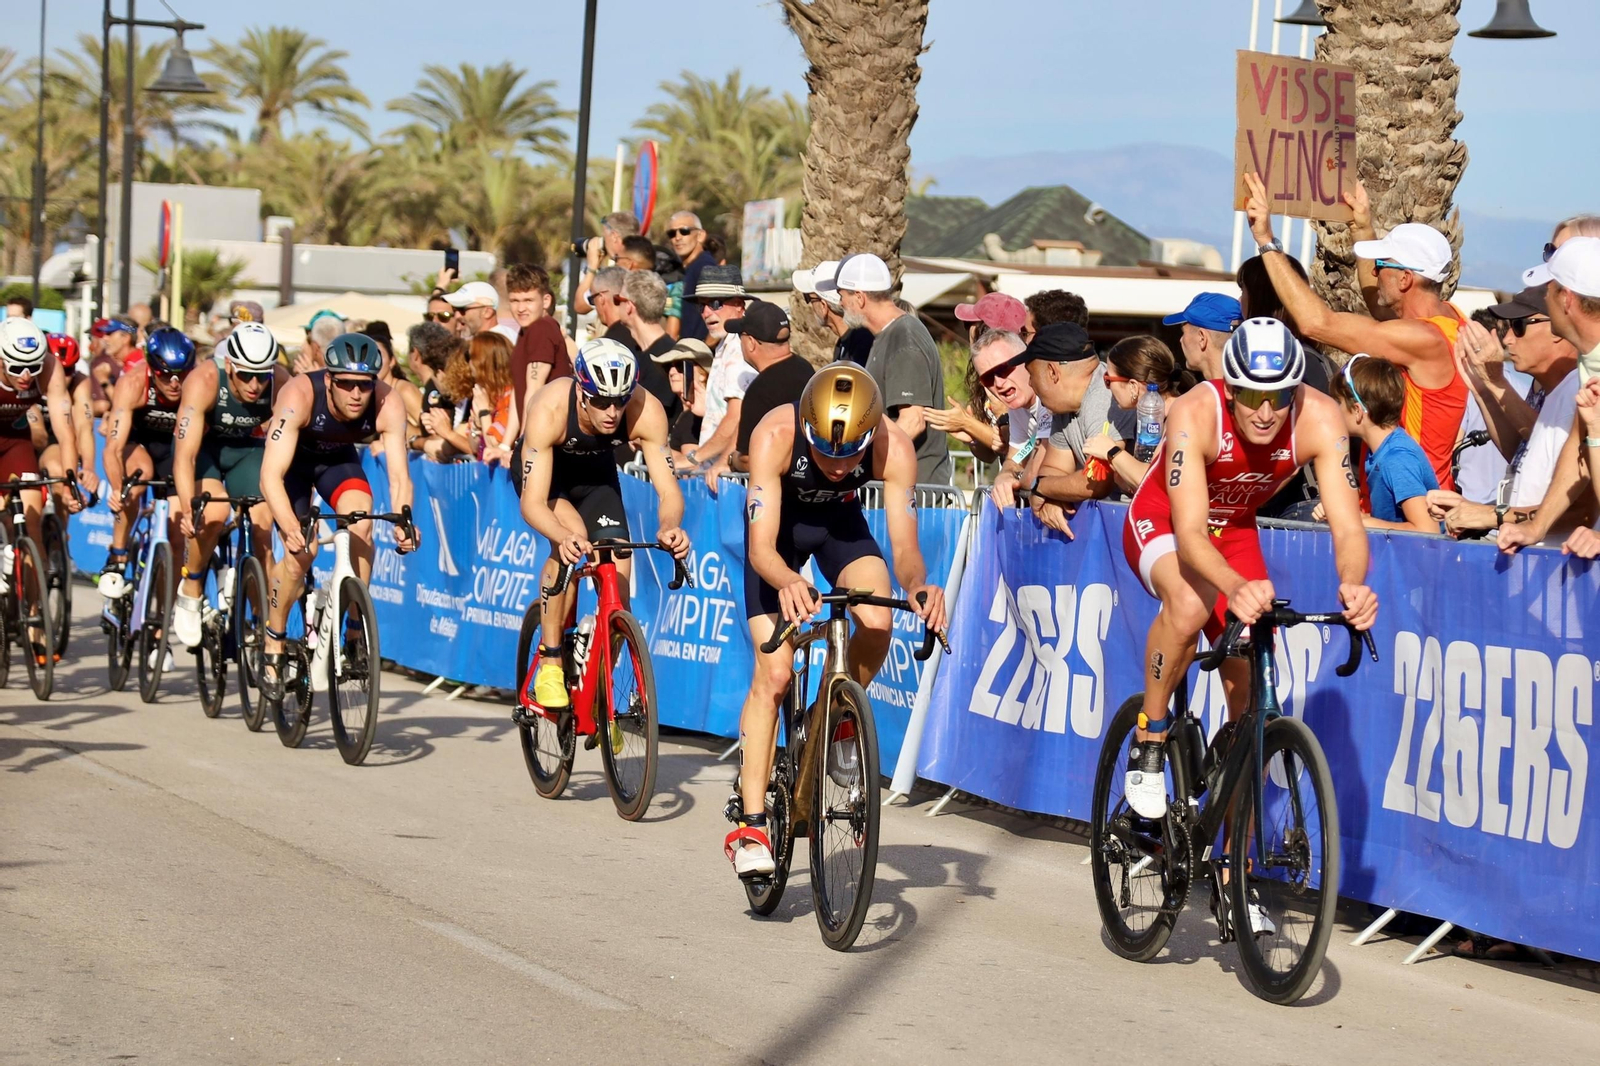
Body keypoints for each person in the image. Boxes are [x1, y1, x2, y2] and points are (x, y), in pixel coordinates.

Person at [1120, 319, 1378, 845]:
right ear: (1230, 386)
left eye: (1279, 396)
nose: (1264, 412)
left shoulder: (1321, 419)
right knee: (1192, 604)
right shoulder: (1197, 411)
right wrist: (1234, 586)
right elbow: (1191, 535)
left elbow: (1348, 525)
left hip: (1234, 529)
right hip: (1166, 521)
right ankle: (1149, 736)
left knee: (1253, 704)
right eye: (1251, 396)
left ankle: (1234, 871)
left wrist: (1353, 583)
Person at [727, 363, 948, 877]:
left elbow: (905, 548)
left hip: (839, 528)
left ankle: (831, 721)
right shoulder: (776, 435)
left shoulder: (894, 447)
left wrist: (918, 586)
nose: (834, 462)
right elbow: (761, 549)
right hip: (779, 537)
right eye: (823, 449)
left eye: (848, 454)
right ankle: (751, 824)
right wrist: (787, 581)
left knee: (877, 617)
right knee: (776, 674)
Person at [1244, 172, 1468, 491]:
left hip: (1408, 508)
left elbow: (1316, 324)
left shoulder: (1424, 340)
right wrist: (1361, 228)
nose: (1374, 271)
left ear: (1405, 280)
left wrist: (1266, 242)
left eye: (1381, 265)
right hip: (1414, 495)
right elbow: (1379, 305)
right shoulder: (1451, 321)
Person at [511, 339, 689, 709]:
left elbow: (669, 491)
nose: (612, 412)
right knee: (571, 539)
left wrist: (670, 526)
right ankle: (550, 658)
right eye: (601, 402)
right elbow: (532, 503)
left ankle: (599, 686)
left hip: (596, 477)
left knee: (618, 582)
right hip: (549, 479)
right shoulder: (550, 407)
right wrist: (561, 536)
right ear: (581, 391)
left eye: (620, 401)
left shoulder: (646, 409)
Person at [258, 333, 417, 692]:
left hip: (337, 464)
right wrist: (289, 526)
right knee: (301, 554)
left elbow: (399, 477)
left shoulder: (388, 402)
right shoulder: (299, 394)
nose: (357, 394)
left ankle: (354, 626)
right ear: (329, 379)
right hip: (292, 467)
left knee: (362, 521)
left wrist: (404, 519)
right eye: (346, 385)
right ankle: (274, 638)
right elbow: (270, 476)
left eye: (364, 385)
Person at [170, 322, 291, 648]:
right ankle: (192, 586)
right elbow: (184, 456)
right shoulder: (205, 381)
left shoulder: (281, 382)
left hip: (246, 452)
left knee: (264, 525)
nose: (254, 385)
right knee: (214, 512)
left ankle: (262, 618)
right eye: (245, 375)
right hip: (205, 453)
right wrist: (186, 508)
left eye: (261, 375)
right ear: (228, 366)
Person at [1482, 237, 1600, 556]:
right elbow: (1579, 444)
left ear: (1566, 299)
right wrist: (1536, 526)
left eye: (1548, 288)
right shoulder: (1590, 361)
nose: (1543, 297)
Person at [991, 322, 1137, 534]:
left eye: (1031, 375)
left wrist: (1039, 489)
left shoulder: (1104, 397)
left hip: (1131, 531)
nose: (1030, 384)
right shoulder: (1062, 405)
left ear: (1052, 372)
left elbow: (1096, 482)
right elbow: (1054, 469)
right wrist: (1054, 496)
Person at [822, 253, 951, 484]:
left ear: (860, 298)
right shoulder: (886, 336)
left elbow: (913, 421)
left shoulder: (904, 337)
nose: (840, 304)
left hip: (915, 495)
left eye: (842, 295)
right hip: (896, 490)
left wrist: (856, 458)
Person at [100, 328, 199, 598]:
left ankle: (160, 619)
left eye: (182, 373)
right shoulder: (133, 383)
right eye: (166, 375)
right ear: (153, 369)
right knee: (136, 481)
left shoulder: (198, 383)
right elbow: (113, 448)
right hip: (138, 442)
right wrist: (117, 486)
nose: (175, 382)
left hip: (175, 449)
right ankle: (118, 557)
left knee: (178, 537)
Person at [0, 320, 84, 636]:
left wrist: (70, 476)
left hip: (16, 440)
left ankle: (34, 612)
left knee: (32, 518)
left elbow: (64, 428)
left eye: (32, 367)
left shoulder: (49, 367)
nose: (26, 376)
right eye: (17, 367)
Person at [1316, 355, 1440, 533]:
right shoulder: (1379, 450)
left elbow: (1427, 530)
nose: (1335, 410)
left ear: (1358, 411)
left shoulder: (1396, 459)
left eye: (1339, 403)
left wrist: (1358, 521)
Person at [1082, 335, 1197, 494]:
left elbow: (1153, 480)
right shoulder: (1146, 418)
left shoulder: (1181, 417)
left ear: (1133, 386)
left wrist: (1112, 452)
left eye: (1108, 379)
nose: (1107, 388)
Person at [686, 266, 754, 485]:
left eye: (715, 303)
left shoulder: (738, 348)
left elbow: (738, 417)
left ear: (739, 305)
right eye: (702, 305)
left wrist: (696, 458)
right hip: (718, 477)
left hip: (728, 480)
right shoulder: (727, 344)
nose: (707, 313)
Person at [729, 302, 814, 471]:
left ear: (751, 342)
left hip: (781, 493)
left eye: (741, 336)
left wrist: (732, 460)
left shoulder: (760, 391)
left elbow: (749, 459)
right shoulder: (806, 369)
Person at [36, 333, 100, 503]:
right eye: (60, 370)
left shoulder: (80, 383)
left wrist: (88, 468)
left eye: (69, 370)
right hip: (29, 438)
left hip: (58, 442)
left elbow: (84, 428)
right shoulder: (30, 376)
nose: (64, 377)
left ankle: (60, 524)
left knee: (58, 468)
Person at [615, 269, 683, 426]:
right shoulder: (636, 351)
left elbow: (650, 419)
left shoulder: (669, 359)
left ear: (629, 307)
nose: (616, 304)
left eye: (618, 299)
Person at [508, 264, 570, 414]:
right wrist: (509, 438)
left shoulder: (542, 328)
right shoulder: (526, 331)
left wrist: (525, 436)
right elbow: (518, 394)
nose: (521, 308)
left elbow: (534, 389)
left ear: (546, 301)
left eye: (528, 300)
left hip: (544, 430)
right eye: (515, 301)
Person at [793, 260, 873, 365]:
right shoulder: (845, 344)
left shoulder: (861, 347)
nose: (809, 305)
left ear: (823, 306)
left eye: (809, 298)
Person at [653, 338, 713, 468]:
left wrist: (650, 445)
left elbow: (691, 467)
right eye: (668, 366)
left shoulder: (697, 416)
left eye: (681, 367)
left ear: (702, 373)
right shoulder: (683, 414)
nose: (672, 372)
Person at [574, 211, 641, 315]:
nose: (603, 242)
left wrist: (592, 266)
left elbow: (580, 306)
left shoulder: (617, 274)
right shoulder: (644, 261)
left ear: (614, 236)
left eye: (604, 237)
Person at [466, 331, 518, 465]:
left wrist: (484, 413)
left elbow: (495, 445)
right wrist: (476, 426)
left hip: (504, 480)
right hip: (484, 477)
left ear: (485, 361)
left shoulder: (510, 394)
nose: (469, 363)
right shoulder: (482, 394)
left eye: (472, 357)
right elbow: (474, 447)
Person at [667, 211, 717, 343]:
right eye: (672, 233)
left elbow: (724, 313)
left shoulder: (705, 267)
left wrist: (704, 351)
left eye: (684, 231)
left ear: (700, 235)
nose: (677, 237)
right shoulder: (689, 269)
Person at [90, 317, 137, 416]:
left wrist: (104, 381)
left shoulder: (135, 365)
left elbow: (125, 405)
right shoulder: (128, 362)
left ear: (125, 338)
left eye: (109, 334)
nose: (105, 338)